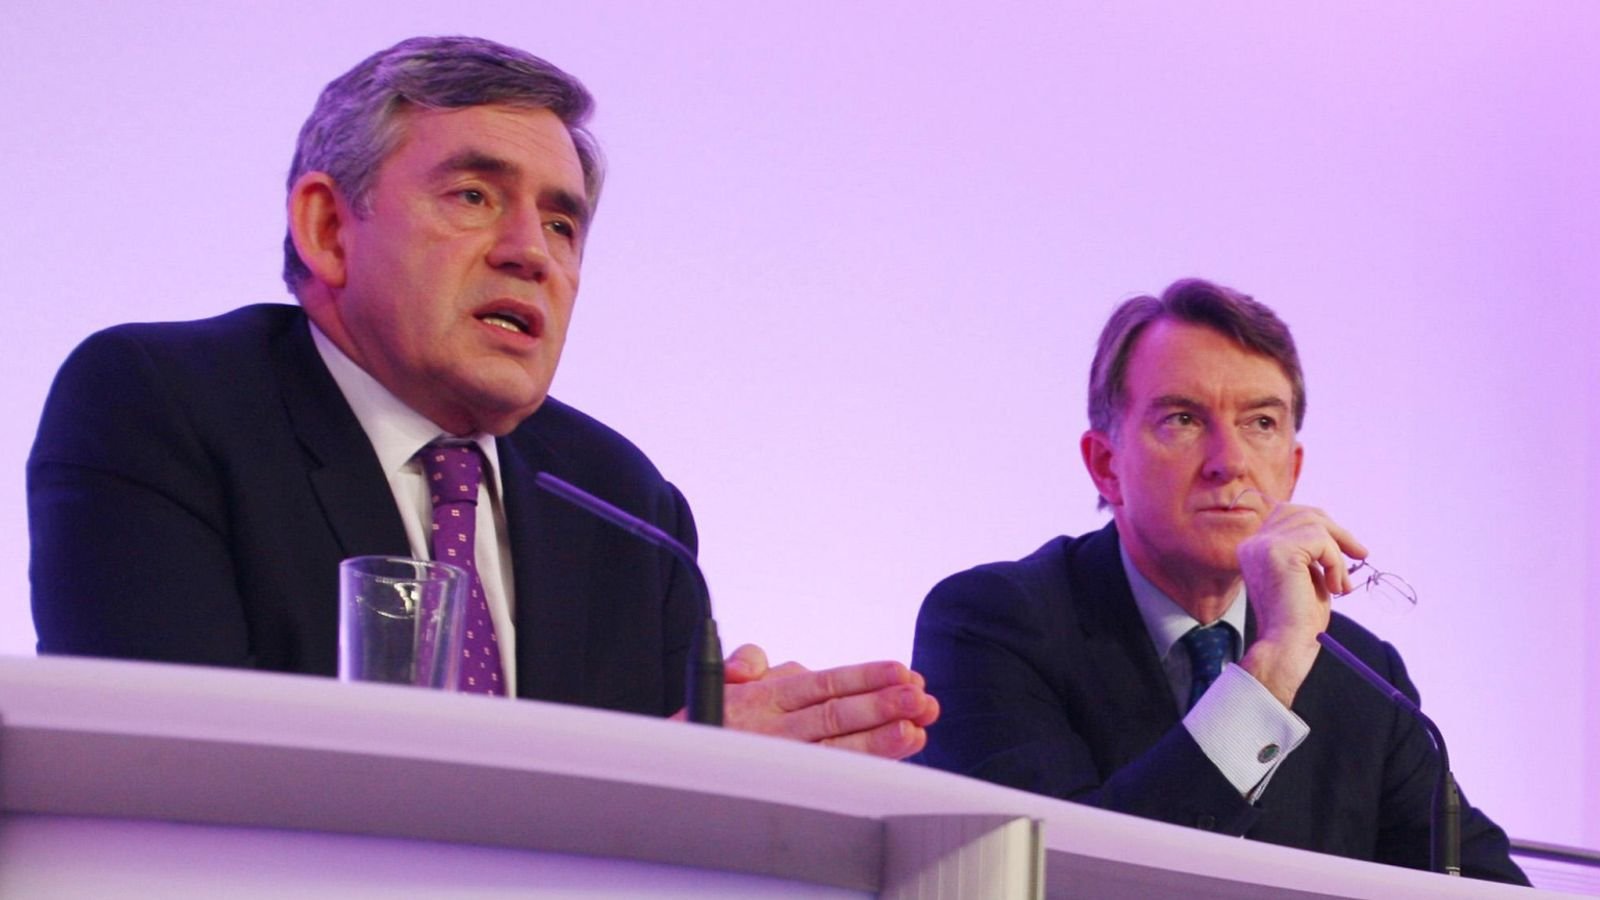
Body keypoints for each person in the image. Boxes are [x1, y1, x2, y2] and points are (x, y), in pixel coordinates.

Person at [28, 35, 936, 759]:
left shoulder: (624, 502)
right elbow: (170, 771)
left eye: (561, 222)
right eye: (473, 195)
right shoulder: (162, 406)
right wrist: (645, 776)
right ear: (328, 227)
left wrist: (735, 774)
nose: (530, 252)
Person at [911, 278, 1527, 882]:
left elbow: (1483, 883)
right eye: (1183, 419)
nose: (1230, 462)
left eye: (1261, 423)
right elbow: (1057, 877)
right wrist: (1273, 670)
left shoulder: (1365, 674)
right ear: (1106, 465)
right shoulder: (991, 624)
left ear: (1292, 470)